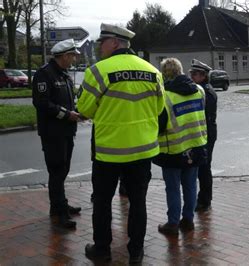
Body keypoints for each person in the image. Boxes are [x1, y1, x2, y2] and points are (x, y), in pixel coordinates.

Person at [77, 23, 165, 264]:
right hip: (143, 151)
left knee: (103, 202)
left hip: (109, 153)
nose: (99, 47)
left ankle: (102, 249)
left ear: (114, 42)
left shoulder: (98, 71)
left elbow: (84, 109)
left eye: (102, 42)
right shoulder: (153, 71)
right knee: (138, 203)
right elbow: (158, 109)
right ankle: (136, 252)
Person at [153, 58, 207, 236]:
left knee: (173, 188)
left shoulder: (165, 97)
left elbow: (160, 126)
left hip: (173, 149)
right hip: (196, 145)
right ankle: (189, 220)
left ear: (164, 75)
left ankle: (173, 223)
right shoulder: (199, 90)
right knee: (191, 185)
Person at [32, 38, 82, 229]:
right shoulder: (44, 74)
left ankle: (59, 205)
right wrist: (66, 114)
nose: (74, 60)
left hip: (67, 131)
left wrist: (77, 112)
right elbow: (42, 103)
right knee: (57, 171)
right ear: (64, 55)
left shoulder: (64, 75)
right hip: (53, 133)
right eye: (72, 56)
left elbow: (68, 101)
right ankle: (60, 213)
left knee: (64, 170)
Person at [189, 59, 217, 212]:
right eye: (191, 73)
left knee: (204, 168)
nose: (192, 76)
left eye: (195, 74)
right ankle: (204, 198)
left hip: (206, 133)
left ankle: (205, 200)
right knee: (203, 167)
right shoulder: (204, 89)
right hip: (206, 132)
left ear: (203, 76)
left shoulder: (206, 92)